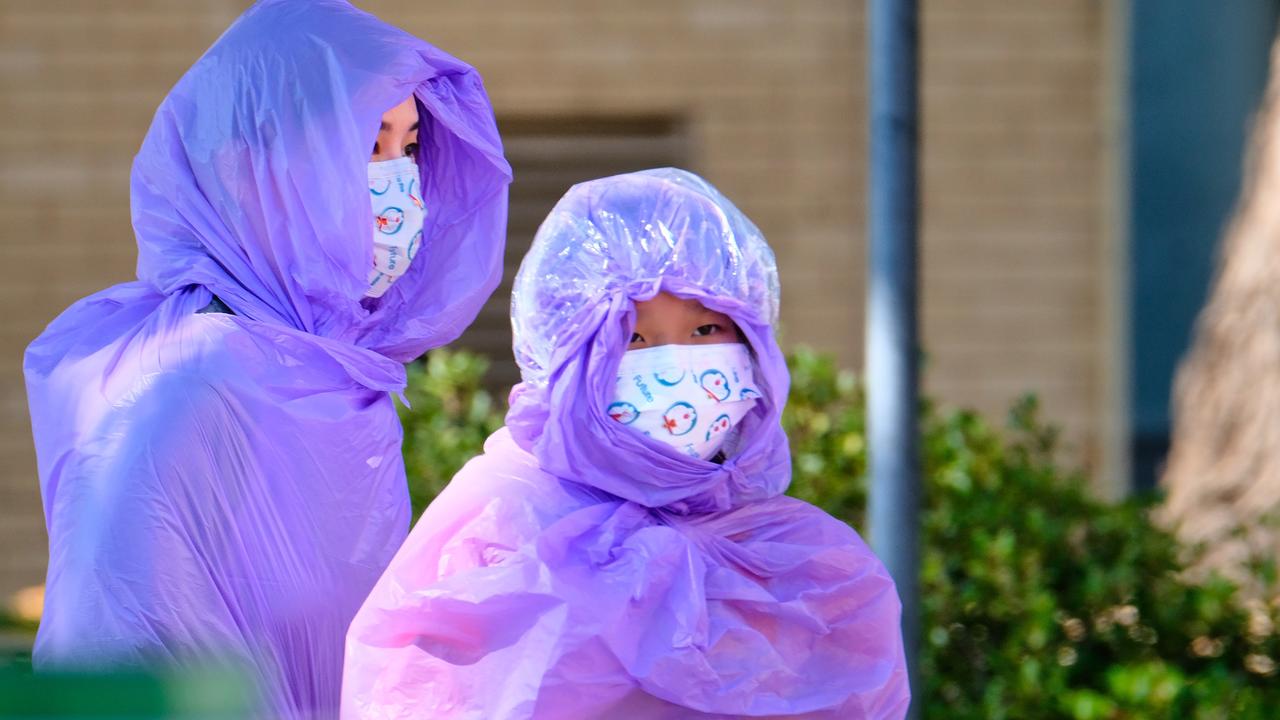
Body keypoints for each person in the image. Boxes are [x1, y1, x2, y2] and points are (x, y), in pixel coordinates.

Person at [22, 0, 510, 716]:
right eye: (367, 146)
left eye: (408, 148)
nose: (399, 183)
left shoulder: (334, 379)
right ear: (262, 169)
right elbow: (115, 670)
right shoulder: (186, 392)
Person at [342, 169, 909, 719]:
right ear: (566, 357)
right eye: (633, 338)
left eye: (707, 330)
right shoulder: (500, 529)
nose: (675, 360)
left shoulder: (809, 566)